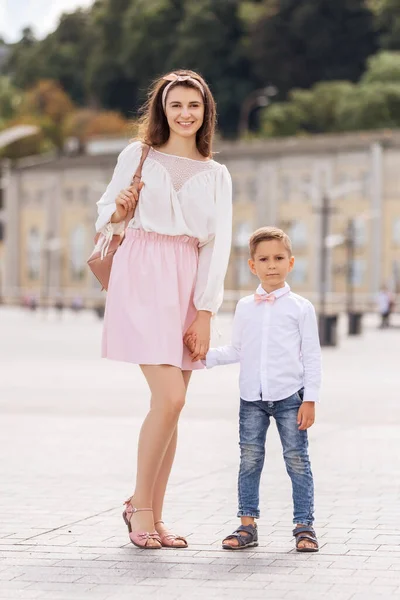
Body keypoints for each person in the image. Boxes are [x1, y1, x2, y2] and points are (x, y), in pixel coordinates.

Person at [94, 70, 232, 549]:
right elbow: (106, 215)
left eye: (194, 105)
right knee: (170, 398)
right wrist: (119, 211)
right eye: (176, 105)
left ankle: (152, 513)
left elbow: (218, 245)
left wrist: (206, 311)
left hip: (187, 280)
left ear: (206, 111)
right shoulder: (138, 155)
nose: (185, 113)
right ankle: (141, 510)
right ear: (162, 110)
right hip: (141, 273)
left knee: (171, 407)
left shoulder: (216, 173)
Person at [201, 226, 321, 552]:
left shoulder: (301, 308)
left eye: (279, 258)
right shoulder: (244, 306)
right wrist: (203, 358)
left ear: (291, 262)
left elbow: (311, 357)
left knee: (297, 460)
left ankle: (304, 525)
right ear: (252, 265)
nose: (272, 265)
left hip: (289, 398)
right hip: (251, 398)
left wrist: (309, 399)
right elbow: (237, 350)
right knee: (249, 460)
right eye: (264, 259)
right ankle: (247, 525)